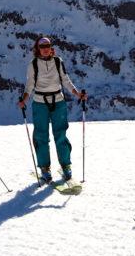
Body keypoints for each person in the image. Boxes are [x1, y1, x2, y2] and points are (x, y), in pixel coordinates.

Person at [18, 36, 87, 183]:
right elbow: (29, 84)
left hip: (58, 101)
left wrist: (77, 94)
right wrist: (24, 99)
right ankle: (45, 168)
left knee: (61, 134)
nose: (45, 49)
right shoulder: (33, 64)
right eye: (42, 47)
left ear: (51, 47)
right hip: (40, 102)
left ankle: (66, 165)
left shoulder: (58, 61)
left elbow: (65, 80)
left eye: (47, 46)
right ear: (38, 49)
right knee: (41, 136)